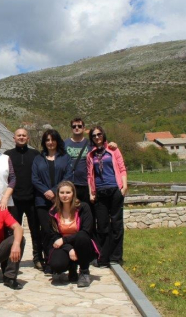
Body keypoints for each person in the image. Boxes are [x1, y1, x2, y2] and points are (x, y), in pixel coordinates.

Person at [31, 129, 72, 274]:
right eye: (47, 140)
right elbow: (34, 178)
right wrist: (46, 191)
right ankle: (48, 260)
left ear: (57, 141)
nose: (50, 142)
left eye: (52, 139)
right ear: (44, 142)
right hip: (42, 201)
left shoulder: (65, 158)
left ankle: (61, 259)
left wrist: (55, 191)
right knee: (46, 231)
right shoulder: (38, 158)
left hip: (60, 201)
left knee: (59, 229)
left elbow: (68, 176)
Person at [87, 126, 127, 267]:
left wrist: (124, 187)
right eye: (94, 135)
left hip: (114, 189)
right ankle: (104, 257)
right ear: (91, 138)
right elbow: (89, 175)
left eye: (99, 134)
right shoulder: (90, 155)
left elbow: (122, 169)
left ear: (103, 135)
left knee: (116, 224)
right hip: (100, 192)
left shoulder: (113, 150)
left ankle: (116, 257)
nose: (97, 137)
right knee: (102, 225)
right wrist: (91, 192)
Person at [4, 128, 43, 270]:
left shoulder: (35, 154)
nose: (21, 137)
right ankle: (13, 259)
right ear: (14, 138)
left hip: (32, 198)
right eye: (18, 135)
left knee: (35, 230)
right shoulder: (7, 155)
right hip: (14, 200)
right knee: (13, 231)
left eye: (24, 135)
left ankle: (38, 258)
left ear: (28, 138)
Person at [48, 181, 99, 288]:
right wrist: (69, 248)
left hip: (83, 245)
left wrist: (64, 240)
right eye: (62, 193)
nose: (65, 195)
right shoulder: (53, 212)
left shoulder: (83, 208)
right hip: (65, 246)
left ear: (73, 194)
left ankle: (84, 272)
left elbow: (86, 231)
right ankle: (72, 268)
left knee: (81, 237)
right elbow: (54, 236)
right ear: (58, 194)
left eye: (68, 192)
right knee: (56, 265)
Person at [65, 118, 117, 205]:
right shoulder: (65, 143)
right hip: (70, 184)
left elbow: (103, 146)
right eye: (74, 126)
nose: (77, 128)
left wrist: (113, 144)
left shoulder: (91, 143)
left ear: (84, 128)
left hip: (86, 184)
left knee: (89, 214)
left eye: (79, 126)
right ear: (71, 128)